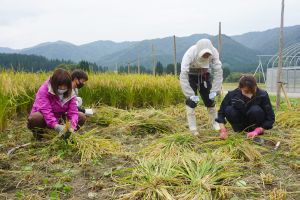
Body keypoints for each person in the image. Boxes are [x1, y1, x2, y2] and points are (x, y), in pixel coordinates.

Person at [180, 38, 223, 135]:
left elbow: (218, 71)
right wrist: (189, 94)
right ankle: (193, 128)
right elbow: (183, 75)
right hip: (191, 76)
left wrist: (215, 90)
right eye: (204, 55)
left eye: (208, 55)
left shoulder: (214, 52)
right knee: (191, 102)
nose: (206, 56)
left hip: (204, 75)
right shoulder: (190, 53)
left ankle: (215, 124)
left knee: (210, 100)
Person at [27, 68, 86, 140]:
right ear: (54, 84)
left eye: (65, 86)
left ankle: (65, 136)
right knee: (36, 118)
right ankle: (39, 136)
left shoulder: (70, 92)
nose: (62, 88)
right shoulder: (44, 90)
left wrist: (72, 126)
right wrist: (56, 126)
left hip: (59, 117)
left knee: (81, 116)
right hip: (45, 119)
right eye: (60, 86)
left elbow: (73, 112)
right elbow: (46, 111)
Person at [215, 75, 275, 140]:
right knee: (229, 109)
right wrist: (223, 130)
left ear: (256, 86)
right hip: (240, 124)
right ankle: (239, 131)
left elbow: (270, 117)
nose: (250, 94)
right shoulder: (232, 94)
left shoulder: (262, 95)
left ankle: (254, 131)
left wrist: (258, 130)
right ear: (240, 88)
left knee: (255, 110)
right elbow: (221, 112)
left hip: (255, 126)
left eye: (253, 91)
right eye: (246, 91)